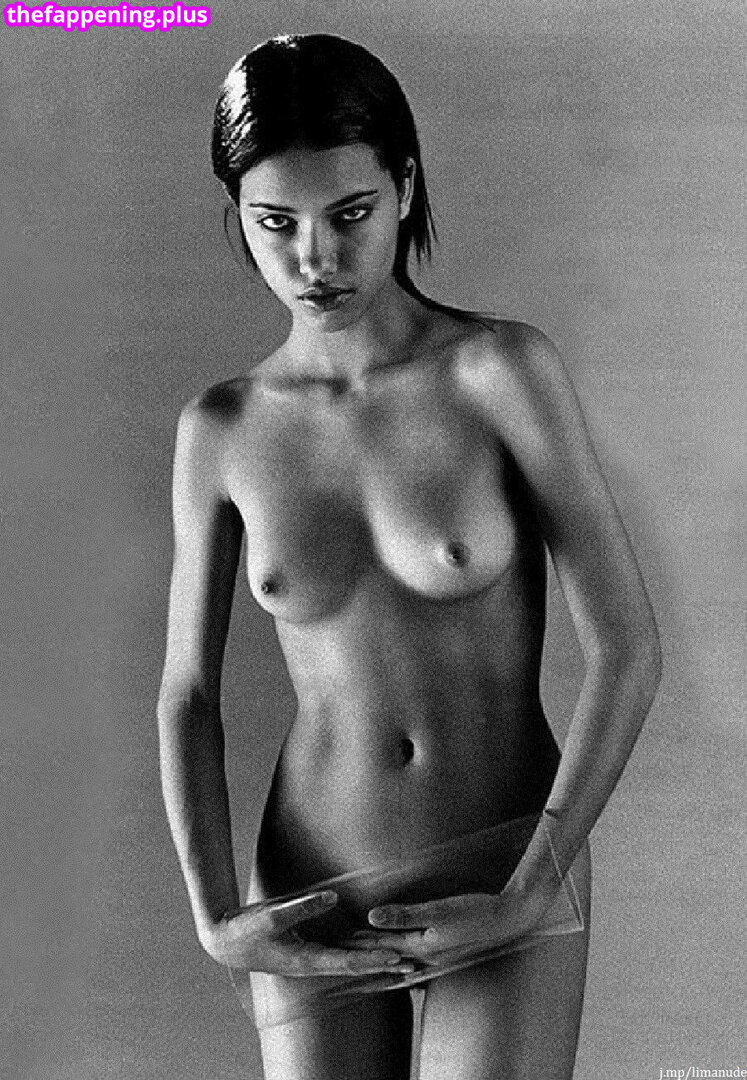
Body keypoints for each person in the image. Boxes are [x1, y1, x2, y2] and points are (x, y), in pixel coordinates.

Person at [157, 33, 662, 1080]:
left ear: (405, 186)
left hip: (504, 865)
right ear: (237, 217)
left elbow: (626, 647)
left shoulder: (501, 371)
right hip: (309, 883)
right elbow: (189, 695)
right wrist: (214, 920)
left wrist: (533, 886)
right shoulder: (221, 428)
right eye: (275, 223)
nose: (315, 259)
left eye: (350, 215)